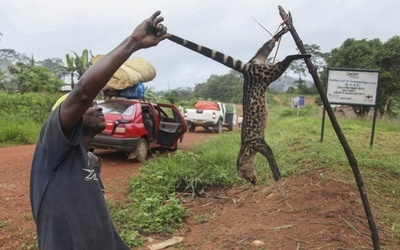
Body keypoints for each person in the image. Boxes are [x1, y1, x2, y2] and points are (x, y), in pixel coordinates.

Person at [29, 11, 168, 250]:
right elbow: (83, 91)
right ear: (68, 119)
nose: (98, 108)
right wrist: (133, 42)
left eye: (96, 103)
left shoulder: (91, 160)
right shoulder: (52, 148)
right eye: (91, 105)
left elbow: (97, 221)